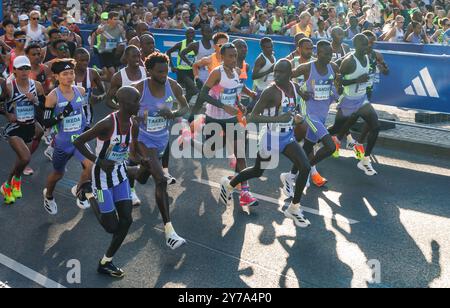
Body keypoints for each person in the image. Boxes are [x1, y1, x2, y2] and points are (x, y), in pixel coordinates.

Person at [220, 59, 311, 228]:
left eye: (280, 72)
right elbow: (252, 117)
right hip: (270, 138)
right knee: (257, 170)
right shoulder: (270, 91)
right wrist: (278, 118)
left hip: (287, 137)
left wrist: (297, 117)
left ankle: (294, 208)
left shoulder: (295, 88)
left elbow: (293, 110)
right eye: (274, 71)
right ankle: (230, 184)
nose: (276, 75)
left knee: (305, 167)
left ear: (290, 74)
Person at [73, 86, 141, 278]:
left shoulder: (133, 124)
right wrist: (99, 161)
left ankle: (106, 262)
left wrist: (143, 161)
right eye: (136, 101)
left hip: (120, 176)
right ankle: (88, 193)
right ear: (124, 103)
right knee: (111, 227)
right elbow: (78, 141)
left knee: (127, 220)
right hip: (101, 179)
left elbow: (132, 150)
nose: (139, 104)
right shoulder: (106, 124)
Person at [131, 52, 189, 249]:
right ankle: (169, 232)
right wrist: (137, 119)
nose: (164, 74)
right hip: (142, 139)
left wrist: (172, 113)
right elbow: (125, 111)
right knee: (161, 180)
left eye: (166, 70)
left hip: (161, 139)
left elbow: (185, 108)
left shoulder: (173, 86)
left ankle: (126, 173)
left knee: (142, 176)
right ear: (149, 71)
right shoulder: (139, 88)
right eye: (160, 71)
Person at [281, 41, 340, 192]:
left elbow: (335, 83)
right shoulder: (307, 67)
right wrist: (300, 92)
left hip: (322, 113)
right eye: (325, 54)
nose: (329, 57)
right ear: (318, 53)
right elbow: (285, 77)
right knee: (330, 146)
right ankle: (305, 169)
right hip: (309, 114)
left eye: (330, 54)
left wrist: (336, 92)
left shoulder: (332, 66)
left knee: (307, 146)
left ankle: (290, 175)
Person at [42, 59, 93, 215]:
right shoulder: (52, 97)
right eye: (65, 74)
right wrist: (62, 115)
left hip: (79, 140)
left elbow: (84, 111)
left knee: (90, 165)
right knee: (58, 174)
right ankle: (48, 195)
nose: (69, 77)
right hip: (63, 143)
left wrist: (87, 127)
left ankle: (78, 190)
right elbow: (46, 121)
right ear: (57, 77)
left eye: (71, 73)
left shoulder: (81, 91)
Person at [329, 34, 380, 176]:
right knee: (335, 128)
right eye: (364, 44)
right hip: (349, 101)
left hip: (362, 100)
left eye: (368, 44)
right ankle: (314, 140)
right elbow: (338, 80)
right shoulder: (349, 61)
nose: (367, 47)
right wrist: (356, 80)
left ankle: (364, 160)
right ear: (357, 45)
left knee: (375, 126)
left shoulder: (367, 57)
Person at [105, 45, 147, 206]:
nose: (137, 59)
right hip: (123, 123)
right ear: (126, 58)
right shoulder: (118, 76)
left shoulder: (145, 72)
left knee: (135, 156)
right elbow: (109, 100)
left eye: (139, 56)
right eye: (134, 57)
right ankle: (107, 185)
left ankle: (130, 189)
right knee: (120, 156)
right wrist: (122, 110)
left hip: (142, 122)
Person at [1, 56, 45, 204]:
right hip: (14, 128)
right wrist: (7, 114)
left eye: (27, 68)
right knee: (25, 158)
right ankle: (17, 180)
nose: (24, 71)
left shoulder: (37, 86)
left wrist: (35, 101)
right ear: (14, 70)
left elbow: (45, 108)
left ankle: (7, 186)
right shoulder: (9, 87)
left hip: (29, 127)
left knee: (21, 159)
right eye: (21, 68)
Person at [166, 28, 197, 104]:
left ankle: (183, 105)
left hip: (191, 71)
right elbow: (168, 52)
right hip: (181, 71)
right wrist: (172, 66)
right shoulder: (180, 44)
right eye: (189, 33)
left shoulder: (196, 44)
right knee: (192, 89)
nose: (191, 35)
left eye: (192, 33)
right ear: (185, 35)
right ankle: (167, 101)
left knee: (190, 91)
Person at [179, 25, 214, 89]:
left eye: (211, 32)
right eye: (208, 32)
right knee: (201, 95)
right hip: (201, 75)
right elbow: (182, 53)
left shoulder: (214, 43)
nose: (210, 34)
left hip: (213, 73)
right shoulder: (196, 45)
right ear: (202, 33)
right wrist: (191, 64)